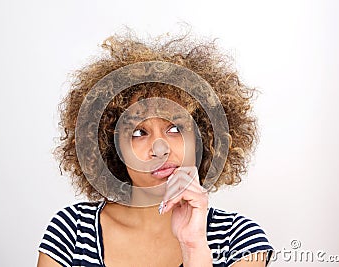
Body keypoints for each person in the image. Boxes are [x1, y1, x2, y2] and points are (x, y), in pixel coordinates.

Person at [37, 30, 274, 267]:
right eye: (139, 133)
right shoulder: (72, 232)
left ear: (201, 137)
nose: (160, 149)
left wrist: (193, 246)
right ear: (111, 145)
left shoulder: (239, 240)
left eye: (175, 129)